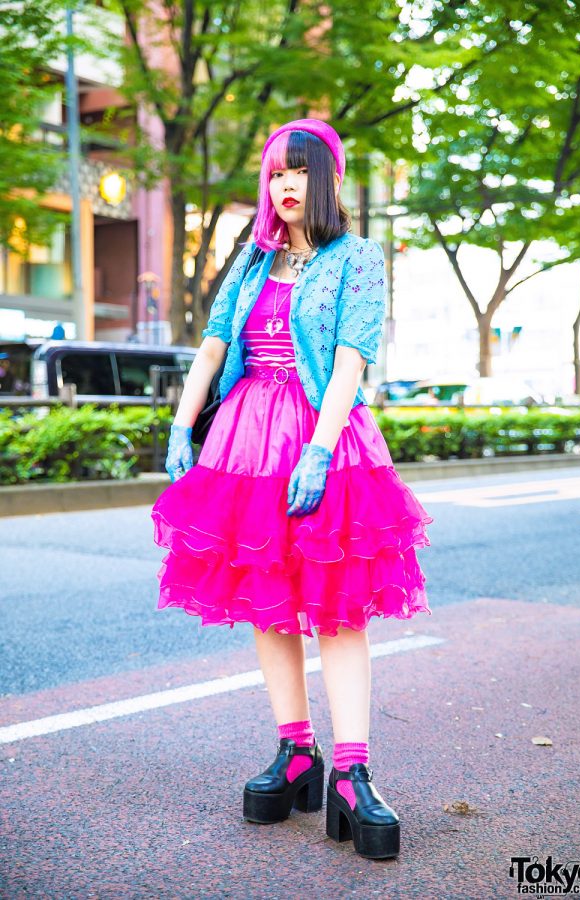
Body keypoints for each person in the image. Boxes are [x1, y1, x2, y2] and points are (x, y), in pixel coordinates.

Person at [151, 118, 432, 860]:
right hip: (244, 444)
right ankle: (296, 751)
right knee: (266, 597)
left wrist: (318, 447)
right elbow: (214, 345)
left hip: (324, 443)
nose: (283, 184)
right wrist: (183, 427)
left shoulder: (357, 258)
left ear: (326, 179)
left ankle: (352, 772)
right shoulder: (251, 261)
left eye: (298, 171)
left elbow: (350, 360)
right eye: (275, 171)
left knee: (339, 607)